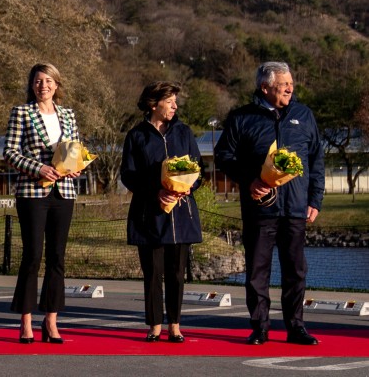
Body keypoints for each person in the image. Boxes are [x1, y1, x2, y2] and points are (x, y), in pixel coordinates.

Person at [215, 61, 324, 346]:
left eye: (291, 83)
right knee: (257, 271)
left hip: (296, 208)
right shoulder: (241, 117)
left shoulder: (304, 115)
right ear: (265, 88)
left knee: (296, 271)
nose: (290, 88)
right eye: (283, 84)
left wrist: (315, 199)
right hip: (260, 209)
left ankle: (296, 327)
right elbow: (223, 156)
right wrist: (249, 179)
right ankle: (260, 327)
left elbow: (316, 159)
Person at [2, 62, 81, 344]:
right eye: (38, 81)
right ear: (31, 85)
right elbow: (10, 152)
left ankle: (51, 320)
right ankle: (26, 321)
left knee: (57, 257)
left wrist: (76, 166)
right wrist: (38, 168)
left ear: (56, 85)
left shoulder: (68, 115)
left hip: (64, 193)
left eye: (48, 81)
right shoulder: (21, 113)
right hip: (32, 193)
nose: (43, 86)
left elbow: (75, 149)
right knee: (32, 255)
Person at [120, 82, 203, 343]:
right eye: (170, 101)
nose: (175, 106)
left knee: (177, 274)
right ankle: (155, 324)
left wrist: (188, 187)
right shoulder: (136, 136)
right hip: (149, 215)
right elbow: (128, 175)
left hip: (181, 214)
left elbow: (198, 169)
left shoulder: (184, 132)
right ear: (153, 104)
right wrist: (155, 191)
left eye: (175, 101)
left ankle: (175, 325)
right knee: (153, 273)